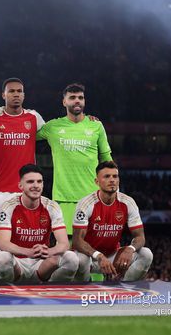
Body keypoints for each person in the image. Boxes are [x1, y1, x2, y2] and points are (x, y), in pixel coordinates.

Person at [37, 83, 112, 233]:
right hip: (64, 198)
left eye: (80, 97)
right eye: (72, 97)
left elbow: (106, 160)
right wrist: (3, 113)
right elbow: (26, 133)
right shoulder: (53, 127)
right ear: (64, 102)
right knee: (68, 245)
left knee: (94, 242)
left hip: (93, 197)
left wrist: (113, 188)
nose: (77, 100)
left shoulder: (96, 125)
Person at [0, 78, 45, 240]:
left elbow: (54, 131)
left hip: (28, 188)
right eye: (11, 91)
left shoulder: (34, 117)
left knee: (28, 234)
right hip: (0, 188)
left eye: (19, 91)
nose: (16, 94)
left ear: (23, 95)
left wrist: (86, 119)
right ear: (3, 95)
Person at [0, 164, 78, 283]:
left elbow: (64, 244)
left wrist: (48, 252)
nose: (36, 186)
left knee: (71, 258)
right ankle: (6, 292)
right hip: (17, 262)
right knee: (2, 258)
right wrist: (29, 252)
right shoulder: (8, 206)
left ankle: (52, 291)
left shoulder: (52, 206)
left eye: (39, 181)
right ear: (20, 186)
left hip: (41, 264)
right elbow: (4, 244)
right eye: (30, 182)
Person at [72, 161, 153, 282]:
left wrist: (130, 249)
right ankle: (85, 288)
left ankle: (123, 287)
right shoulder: (86, 204)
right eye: (107, 176)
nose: (112, 180)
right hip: (90, 257)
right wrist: (98, 256)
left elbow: (140, 237)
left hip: (112, 256)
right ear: (97, 182)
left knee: (146, 254)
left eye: (115, 176)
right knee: (81, 259)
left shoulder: (128, 202)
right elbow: (77, 240)